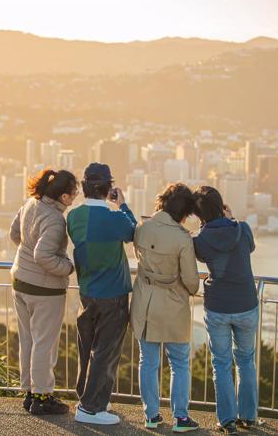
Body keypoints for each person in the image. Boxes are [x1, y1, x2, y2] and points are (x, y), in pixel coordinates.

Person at [66, 162, 137, 425]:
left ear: (84, 187)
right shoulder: (114, 217)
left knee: (89, 348)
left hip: (88, 292)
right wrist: (123, 205)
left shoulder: (73, 217)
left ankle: (86, 397)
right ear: (109, 189)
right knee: (106, 351)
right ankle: (90, 408)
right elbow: (133, 232)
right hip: (113, 295)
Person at [192, 186, 264, 435]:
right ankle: (249, 417)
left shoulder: (199, 239)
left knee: (221, 364)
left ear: (199, 215)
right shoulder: (241, 228)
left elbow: (202, 255)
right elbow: (250, 247)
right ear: (222, 205)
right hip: (246, 302)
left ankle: (227, 421)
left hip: (218, 306)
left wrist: (205, 226)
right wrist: (231, 219)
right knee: (246, 360)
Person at [130, 183, 201, 433]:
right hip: (173, 304)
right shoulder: (182, 238)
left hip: (144, 301)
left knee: (147, 361)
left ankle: (151, 415)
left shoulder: (142, 228)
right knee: (179, 362)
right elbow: (192, 282)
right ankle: (181, 417)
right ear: (184, 212)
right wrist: (190, 288)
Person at [9, 168, 78, 415]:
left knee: (27, 340)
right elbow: (43, 255)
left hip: (20, 281)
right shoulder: (55, 219)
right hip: (44, 290)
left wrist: (26, 259)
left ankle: (29, 392)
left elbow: (15, 234)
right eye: (73, 193)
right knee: (44, 344)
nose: (76, 196)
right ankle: (42, 396)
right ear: (63, 196)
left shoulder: (31, 203)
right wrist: (67, 268)